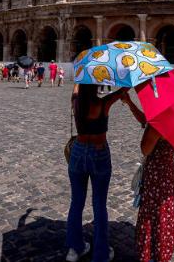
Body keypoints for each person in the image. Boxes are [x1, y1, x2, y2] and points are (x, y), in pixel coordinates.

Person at [66, 84, 145, 262]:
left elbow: (76, 89)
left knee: (76, 202)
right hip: (98, 152)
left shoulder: (76, 102)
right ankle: (100, 253)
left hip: (78, 152)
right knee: (99, 204)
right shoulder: (103, 103)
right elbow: (122, 91)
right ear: (94, 88)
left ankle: (74, 248)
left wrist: (80, 78)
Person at [136, 120, 174, 262]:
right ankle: (164, 246)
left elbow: (145, 149)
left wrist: (147, 131)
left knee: (154, 212)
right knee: (165, 209)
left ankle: (154, 251)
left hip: (156, 175)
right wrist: (130, 103)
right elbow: (143, 119)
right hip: (167, 170)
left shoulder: (159, 124)